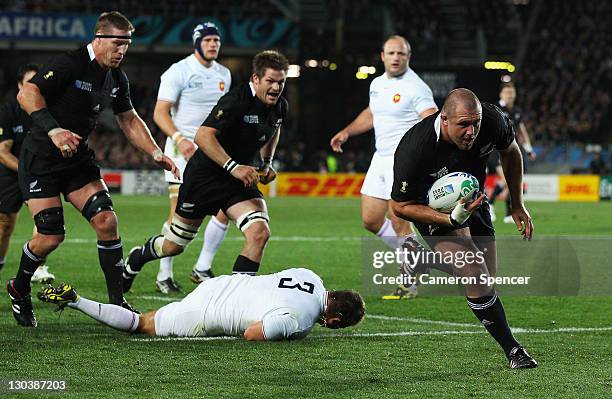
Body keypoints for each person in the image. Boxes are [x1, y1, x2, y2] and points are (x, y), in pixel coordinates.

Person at [6, 11, 179, 328]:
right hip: (41, 159)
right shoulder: (69, 64)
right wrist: (54, 131)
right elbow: (26, 93)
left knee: (106, 220)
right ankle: (18, 289)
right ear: (98, 40)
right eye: (117, 43)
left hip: (77, 160)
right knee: (50, 236)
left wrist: (155, 151)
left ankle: (118, 303)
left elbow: (128, 119)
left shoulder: (117, 78)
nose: (122, 50)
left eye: (127, 44)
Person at [390, 88, 537, 369]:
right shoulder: (415, 148)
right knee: (474, 272)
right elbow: (399, 206)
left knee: (486, 276)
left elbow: (511, 153)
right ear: (444, 119)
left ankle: (422, 260)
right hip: (432, 208)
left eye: (475, 123)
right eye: (463, 125)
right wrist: (449, 220)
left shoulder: (493, 119)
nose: (471, 131)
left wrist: (516, 204)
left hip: (473, 197)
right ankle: (514, 350)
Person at [122, 50, 289, 292]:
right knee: (174, 245)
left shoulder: (279, 106)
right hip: (205, 178)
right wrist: (233, 167)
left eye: (281, 82)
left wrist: (266, 161)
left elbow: (274, 129)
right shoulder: (236, 100)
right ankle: (137, 258)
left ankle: (234, 301)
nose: (276, 87)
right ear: (255, 79)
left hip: (237, 180)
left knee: (259, 233)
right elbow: (202, 135)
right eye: (270, 81)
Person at [330, 35, 438, 299]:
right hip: (381, 158)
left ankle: (408, 283)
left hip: (404, 161)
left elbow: (432, 120)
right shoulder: (377, 83)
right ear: (382, 56)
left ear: (408, 56)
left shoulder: (416, 87)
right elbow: (372, 112)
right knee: (370, 219)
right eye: (391, 53)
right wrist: (347, 132)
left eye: (400, 53)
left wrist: (423, 155)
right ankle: (418, 255)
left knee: (399, 220)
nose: (396, 58)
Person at [38, 268, 365, 340]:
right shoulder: (300, 319)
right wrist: (295, 333)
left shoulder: (310, 275)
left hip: (221, 284)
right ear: (334, 320)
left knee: (150, 316)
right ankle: (77, 300)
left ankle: (78, 300)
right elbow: (253, 334)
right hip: (206, 315)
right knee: (140, 324)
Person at [153, 22, 233, 294]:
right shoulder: (179, 71)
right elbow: (160, 113)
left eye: (217, 40)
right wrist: (180, 139)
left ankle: (202, 268)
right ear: (197, 42)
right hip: (182, 151)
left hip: (211, 151)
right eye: (208, 40)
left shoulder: (225, 74)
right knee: (178, 213)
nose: (213, 44)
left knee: (226, 207)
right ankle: (164, 274)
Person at [0, 63, 55, 284]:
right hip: (12, 172)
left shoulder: (47, 110)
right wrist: (25, 170)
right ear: (19, 86)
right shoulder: (8, 111)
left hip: (39, 172)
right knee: (4, 225)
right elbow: (2, 152)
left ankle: (39, 266)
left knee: (45, 219)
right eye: (28, 83)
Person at [492, 82, 536, 223]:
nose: (510, 95)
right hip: (496, 150)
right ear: (501, 94)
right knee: (507, 179)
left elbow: (522, 131)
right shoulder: (496, 108)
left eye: (512, 93)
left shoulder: (516, 111)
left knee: (511, 181)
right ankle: (490, 204)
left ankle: (508, 214)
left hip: (511, 151)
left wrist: (529, 149)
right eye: (507, 93)